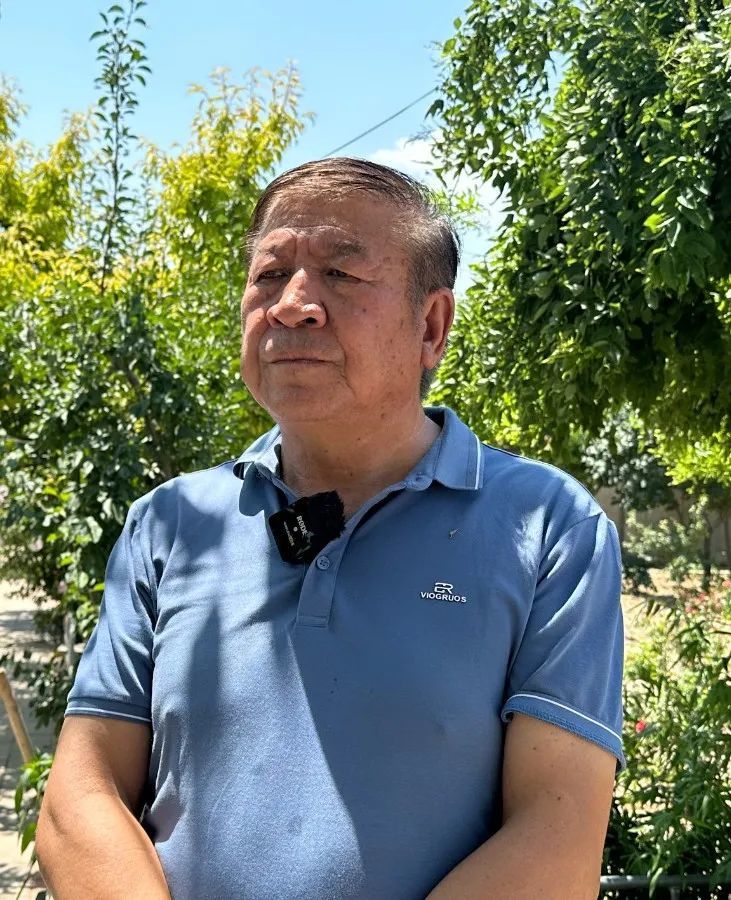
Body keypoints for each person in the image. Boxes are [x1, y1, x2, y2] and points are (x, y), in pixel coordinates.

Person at [36, 158, 624, 899]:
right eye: (269, 274)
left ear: (431, 326)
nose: (292, 305)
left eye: (341, 275)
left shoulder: (548, 528)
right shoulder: (171, 523)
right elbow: (79, 796)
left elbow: (555, 840)